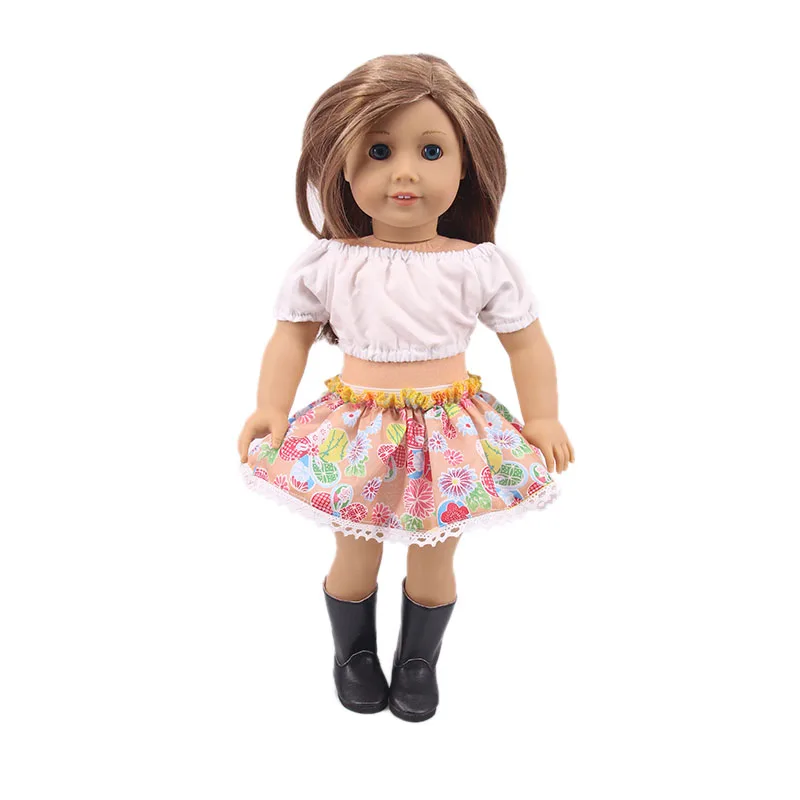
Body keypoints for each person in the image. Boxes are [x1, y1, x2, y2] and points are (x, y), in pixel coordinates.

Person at [237, 53, 575, 722]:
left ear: (466, 165)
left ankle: (418, 661)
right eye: (379, 151)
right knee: (354, 550)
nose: (405, 172)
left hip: (449, 433)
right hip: (357, 428)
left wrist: (543, 418)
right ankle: (354, 653)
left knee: (434, 559)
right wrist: (270, 406)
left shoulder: (478, 265)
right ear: (341, 166)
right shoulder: (332, 261)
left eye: (431, 151)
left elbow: (526, 343)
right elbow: (290, 338)